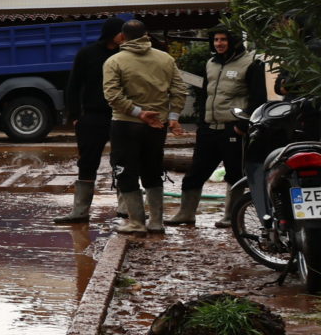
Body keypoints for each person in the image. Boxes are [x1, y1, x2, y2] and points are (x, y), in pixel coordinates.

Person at [177, 28, 268, 226]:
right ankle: (186, 213)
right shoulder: (211, 63)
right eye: (216, 40)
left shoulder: (251, 63)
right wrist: (202, 122)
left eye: (223, 39)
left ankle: (230, 216)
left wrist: (243, 125)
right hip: (208, 128)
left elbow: (258, 98)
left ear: (233, 41)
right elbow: (205, 95)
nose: (219, 43)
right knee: (195, 172)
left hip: (233, 128)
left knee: (234, 174)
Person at [101, 20, 181, 236]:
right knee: (153, 171)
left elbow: (112, 95)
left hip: (125, 124)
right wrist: (173, 117)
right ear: (146, 35)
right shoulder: (166, 59)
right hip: (157, 124)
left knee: (125, 172)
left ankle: (136, 222)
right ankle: (156, 222)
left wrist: (138, 113)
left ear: (123, 37)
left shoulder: (114, 61)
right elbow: (179, 89)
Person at [54, 21, 126, 225]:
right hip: (92, 115)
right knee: (87, 161)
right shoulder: (87, 53)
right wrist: (75, 114)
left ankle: (126, 208)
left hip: (121, 115)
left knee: (123, 160)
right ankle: (80, 211)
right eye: (121, 32)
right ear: (111, 33)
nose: (124, 36)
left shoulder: (126, 54)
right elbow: (74, 84)